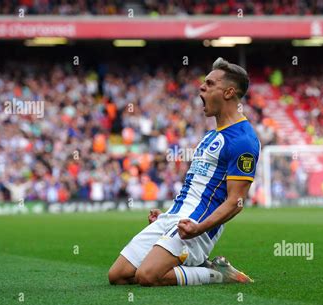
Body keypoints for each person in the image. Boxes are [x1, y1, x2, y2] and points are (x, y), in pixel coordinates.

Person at [108, 58, 260, 286]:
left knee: (147, 276)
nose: (201, 87)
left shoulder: (243, 140)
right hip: (174, 217)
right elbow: (195, 188)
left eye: (209, 84)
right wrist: (166, 216)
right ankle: (195, 261)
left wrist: (199, 228)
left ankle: (217, 274)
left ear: (228, 92)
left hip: (198, 224)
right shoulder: (211, 136)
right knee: (118, 275)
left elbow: (235, 201)